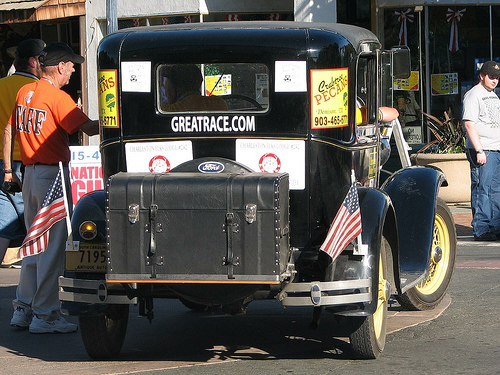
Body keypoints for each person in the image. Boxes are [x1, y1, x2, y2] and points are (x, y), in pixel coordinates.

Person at [3, 42, 99, 333]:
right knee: (53, 246)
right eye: (71, 65)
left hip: (29, 172)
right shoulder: (57, 98)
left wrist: (9, 169)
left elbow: (9, 129)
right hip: (51, 173)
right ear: (59, 67)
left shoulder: (24, 91)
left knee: (33, 244)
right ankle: (45, 315)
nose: (72, 70)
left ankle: (24, 308)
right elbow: (90, 129)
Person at [0, 39, 45, 267]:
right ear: (33, 62)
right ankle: (35, 281)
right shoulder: (36, 91)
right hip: (28, 163)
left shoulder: (1, 86)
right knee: (36, 223)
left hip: (3, 163)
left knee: (3, 225)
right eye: (43, 59)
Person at [462, 60, 500, 241]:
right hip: (483, 150)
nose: (494, 81)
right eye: (491, 77)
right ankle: (482, 228)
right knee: (482, 189)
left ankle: (495, 225)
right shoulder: (473, 95)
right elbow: (469, 123)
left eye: (497, 78)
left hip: (496, 148)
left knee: (495, 190)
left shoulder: (493, 95)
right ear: (482, 76)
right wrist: (479, 150)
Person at [161, 64, 228, 112]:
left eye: (165, 86)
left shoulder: (166, 111)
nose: (165, 92)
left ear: (172, 89)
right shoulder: (219, 104)